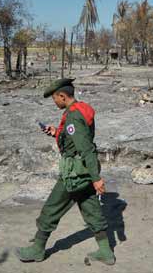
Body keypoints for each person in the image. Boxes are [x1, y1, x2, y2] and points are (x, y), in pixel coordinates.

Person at [17, 78, 115, 265]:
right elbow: (77, 137)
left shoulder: (72, 117)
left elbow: (85, 147)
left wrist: (97, 178)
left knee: (51, 209)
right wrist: (57, 132)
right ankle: (106, 252)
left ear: (62, 96)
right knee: (92, 210)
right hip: (84, 173)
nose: (54, 102)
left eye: (55, 98)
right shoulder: (81, 109)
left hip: (74, 175)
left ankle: (37, 249)